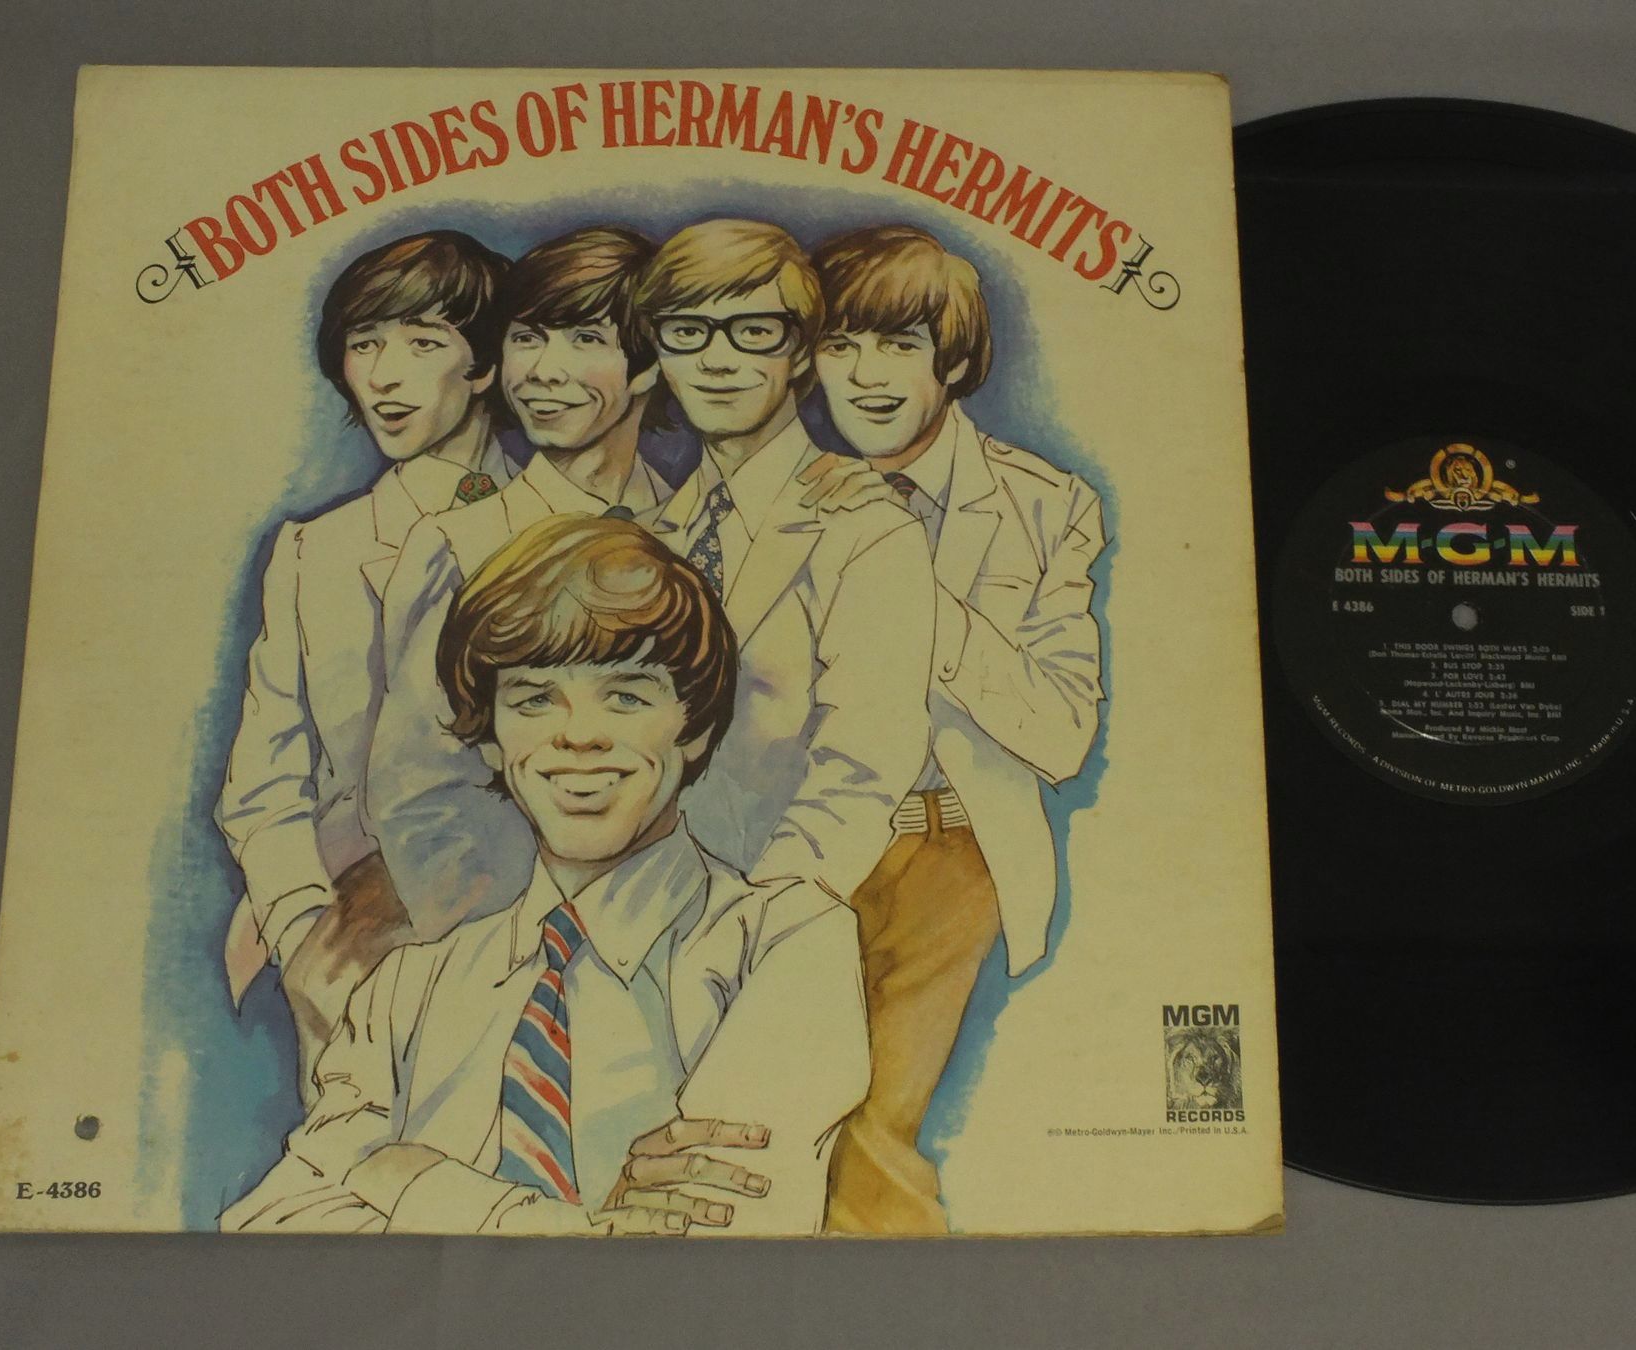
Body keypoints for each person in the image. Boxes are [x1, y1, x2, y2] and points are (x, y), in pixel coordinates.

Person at [220, 514, 869, 1235]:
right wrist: (574, 1228)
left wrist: (408, 1175)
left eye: (626, 696)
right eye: (533, 698)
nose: (578, 735)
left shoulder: (785, 942)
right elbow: (273, 1225)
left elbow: (710, 1241)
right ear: (492, 739)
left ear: (694, 727)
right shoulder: (407, 989)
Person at [804, 224, 1107, 1233]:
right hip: (794, 849)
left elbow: (1061, 734)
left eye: (898, 344)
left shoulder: (1045, 505)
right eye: (839, 345)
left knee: (874, 1133)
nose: (865, 376)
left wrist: (902, 576)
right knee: (786, 1123)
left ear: (954, 358)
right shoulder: (779, 490)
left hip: (947, 854)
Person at [216, 230, 514, 1102]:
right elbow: (263, 783)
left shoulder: (558, 526)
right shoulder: (312, 551)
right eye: (364, 344)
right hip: (334, 956)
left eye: (422, 344)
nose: (385, 376)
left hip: (509, 938)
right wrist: (307, 925)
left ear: (484, 365)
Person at [366, 226, 674, 937]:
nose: (543, 372)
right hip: (508, 943)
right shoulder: (457, 545)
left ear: (649, 366)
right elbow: (419, 793)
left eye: (586, 339)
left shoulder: (692, 532)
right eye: (527, 338)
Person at [632, 218, 936, 904]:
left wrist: (768, 915)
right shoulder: (651, 535)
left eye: (753, 331)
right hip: (647, 908)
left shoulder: (866, 530)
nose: (716, 361)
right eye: (688, 331)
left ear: (799, 351)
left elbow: (864, 762)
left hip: (788, 905)